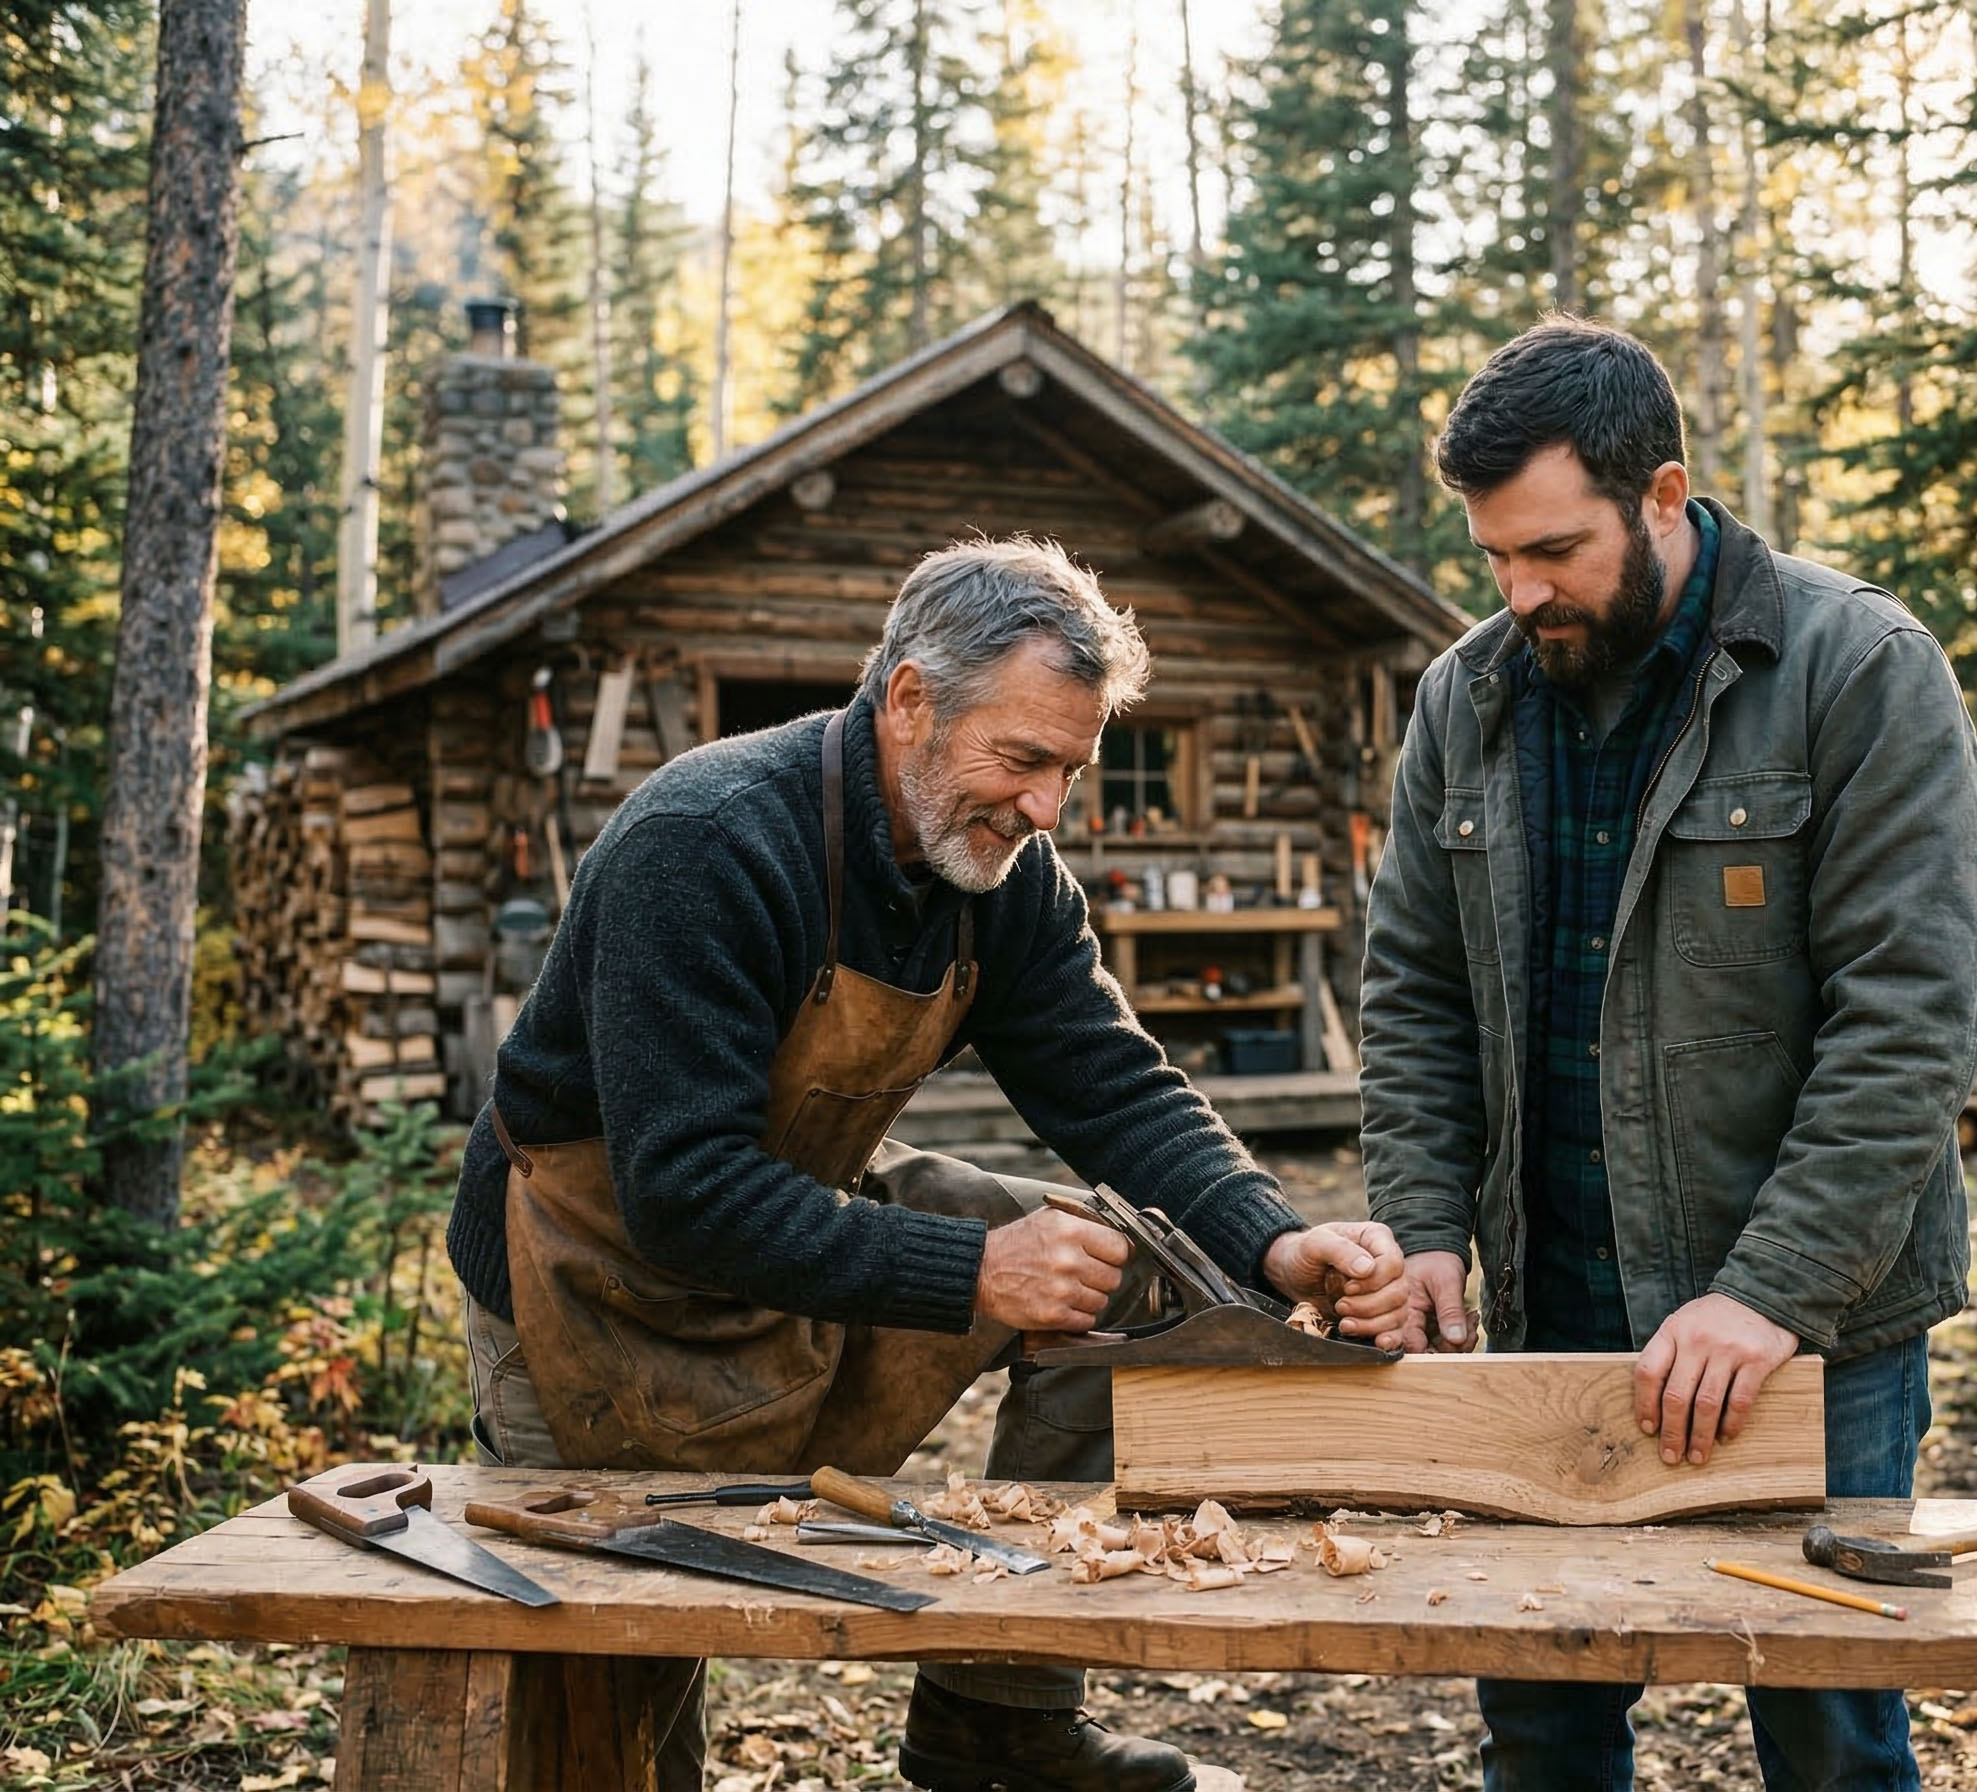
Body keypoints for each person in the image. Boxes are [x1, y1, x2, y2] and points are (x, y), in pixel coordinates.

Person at [447, 537, 1408, 1792]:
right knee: (621, 1685)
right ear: (909, 702)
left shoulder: (1003, 871)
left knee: (1121, 1280)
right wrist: (970, 1267)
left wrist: (1273, 1236)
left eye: (1070, 768)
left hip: (794, 1218)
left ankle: (995, 1720)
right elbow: (680, 1189)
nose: (1047, 807)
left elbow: (1108, 1080)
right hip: (591, 1273)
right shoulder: (708, 840)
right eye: (1023, 760)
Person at [1357, 319, 1977, 1791]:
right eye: (1495, 556)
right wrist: (1426, 1227)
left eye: (1555, 551)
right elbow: (1413, 993)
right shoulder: (1467, 698)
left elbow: (1910, 1022)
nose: (1521, 592)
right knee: (1542, 1721)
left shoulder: (1860, 669)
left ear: (1664, 494)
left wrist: (1768, 1297)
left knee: (1830, 1732)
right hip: (1549, 1298)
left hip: (1815, 1331)